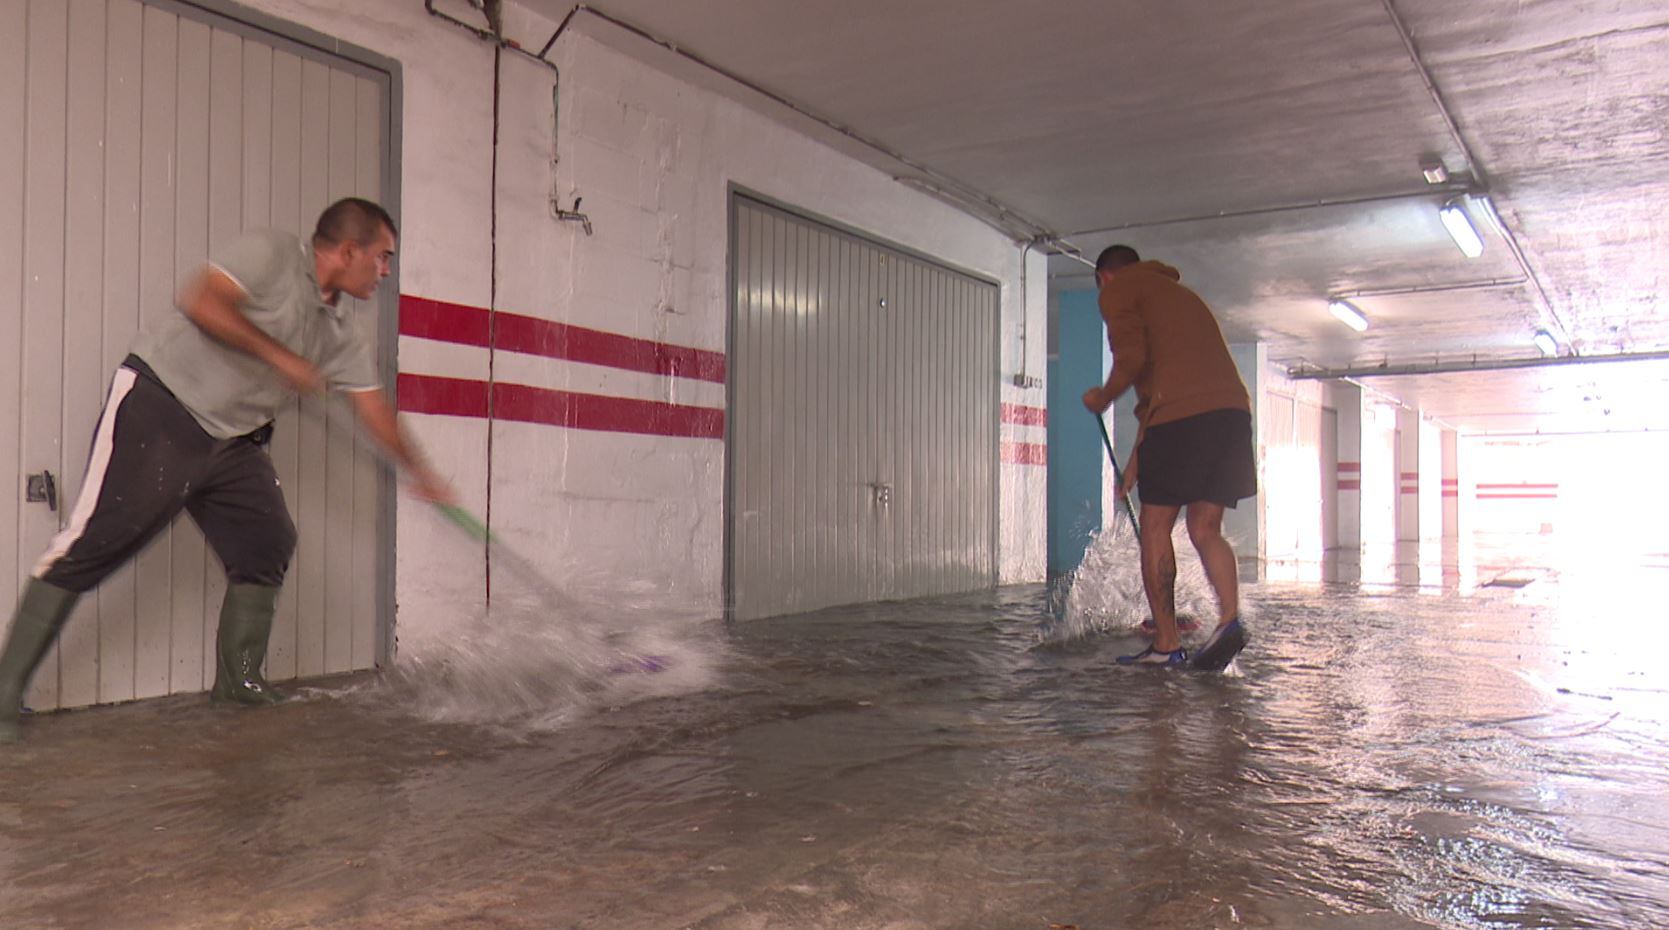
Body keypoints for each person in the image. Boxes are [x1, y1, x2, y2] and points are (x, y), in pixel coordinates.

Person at [0, 198, 455, 743]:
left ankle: (239, 684)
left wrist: (422, 472)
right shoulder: (271, 254)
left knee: (267, 540)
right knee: (94, 543)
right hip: (164, 406)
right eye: (382, 258)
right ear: (348, 250)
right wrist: (280, 357)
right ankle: (3, 696)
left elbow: (375, 409)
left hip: (233, 440)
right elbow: (201, 301)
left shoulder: (337, 330)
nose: (385, 271)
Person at [1081, 244, 1253, 670]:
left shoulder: (1118, 291)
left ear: (1105, 276)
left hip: (1182, 421)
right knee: (1205, 526)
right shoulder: (1182, 296)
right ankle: (1230, 620)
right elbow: (1163, 398)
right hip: (1230, 415)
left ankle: (1166, 643)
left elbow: (1132, 361)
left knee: (1156, 525)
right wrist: (1135, 469)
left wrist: (1102, 397)